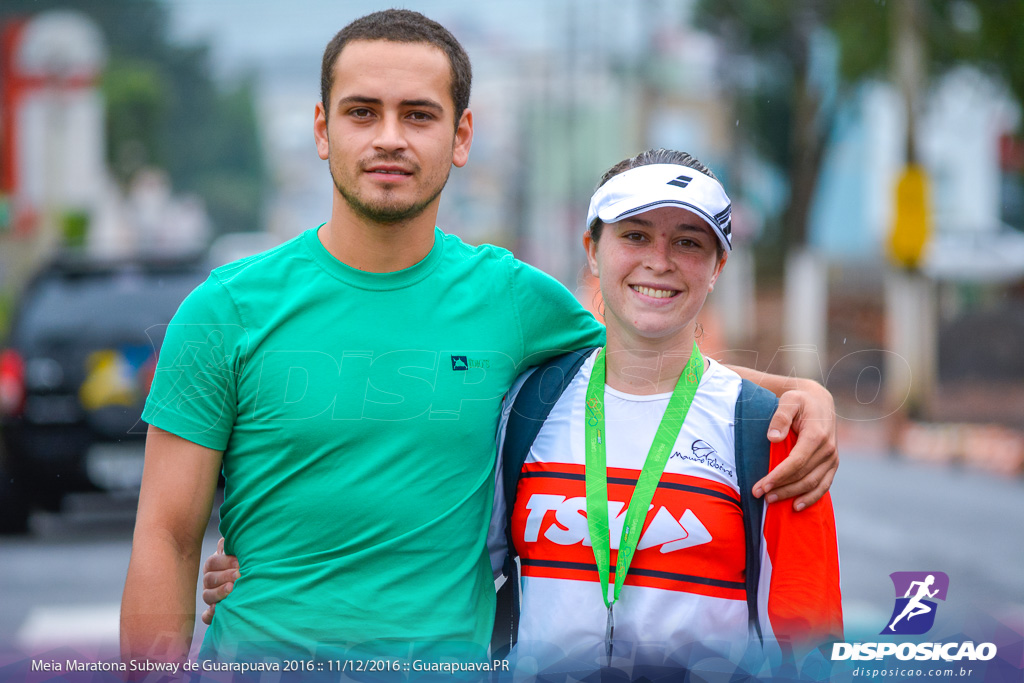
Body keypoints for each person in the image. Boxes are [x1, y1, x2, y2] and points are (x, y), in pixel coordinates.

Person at [122, 9, 838, 667]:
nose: (390, 137)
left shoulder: (513, 298)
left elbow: (648, 360)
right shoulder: (224, 311)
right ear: (321, 129)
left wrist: (801, 394)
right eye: (363, 112)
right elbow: (169, 537)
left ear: (462, 136)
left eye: (420, 114)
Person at [483, 150, 843, 676]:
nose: (660, 260)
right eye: (634, 235)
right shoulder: (527, 407)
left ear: (718, 266)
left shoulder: (774, 433)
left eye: (688, 242)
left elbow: (813, 649)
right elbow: (473, 581)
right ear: (592, 250)